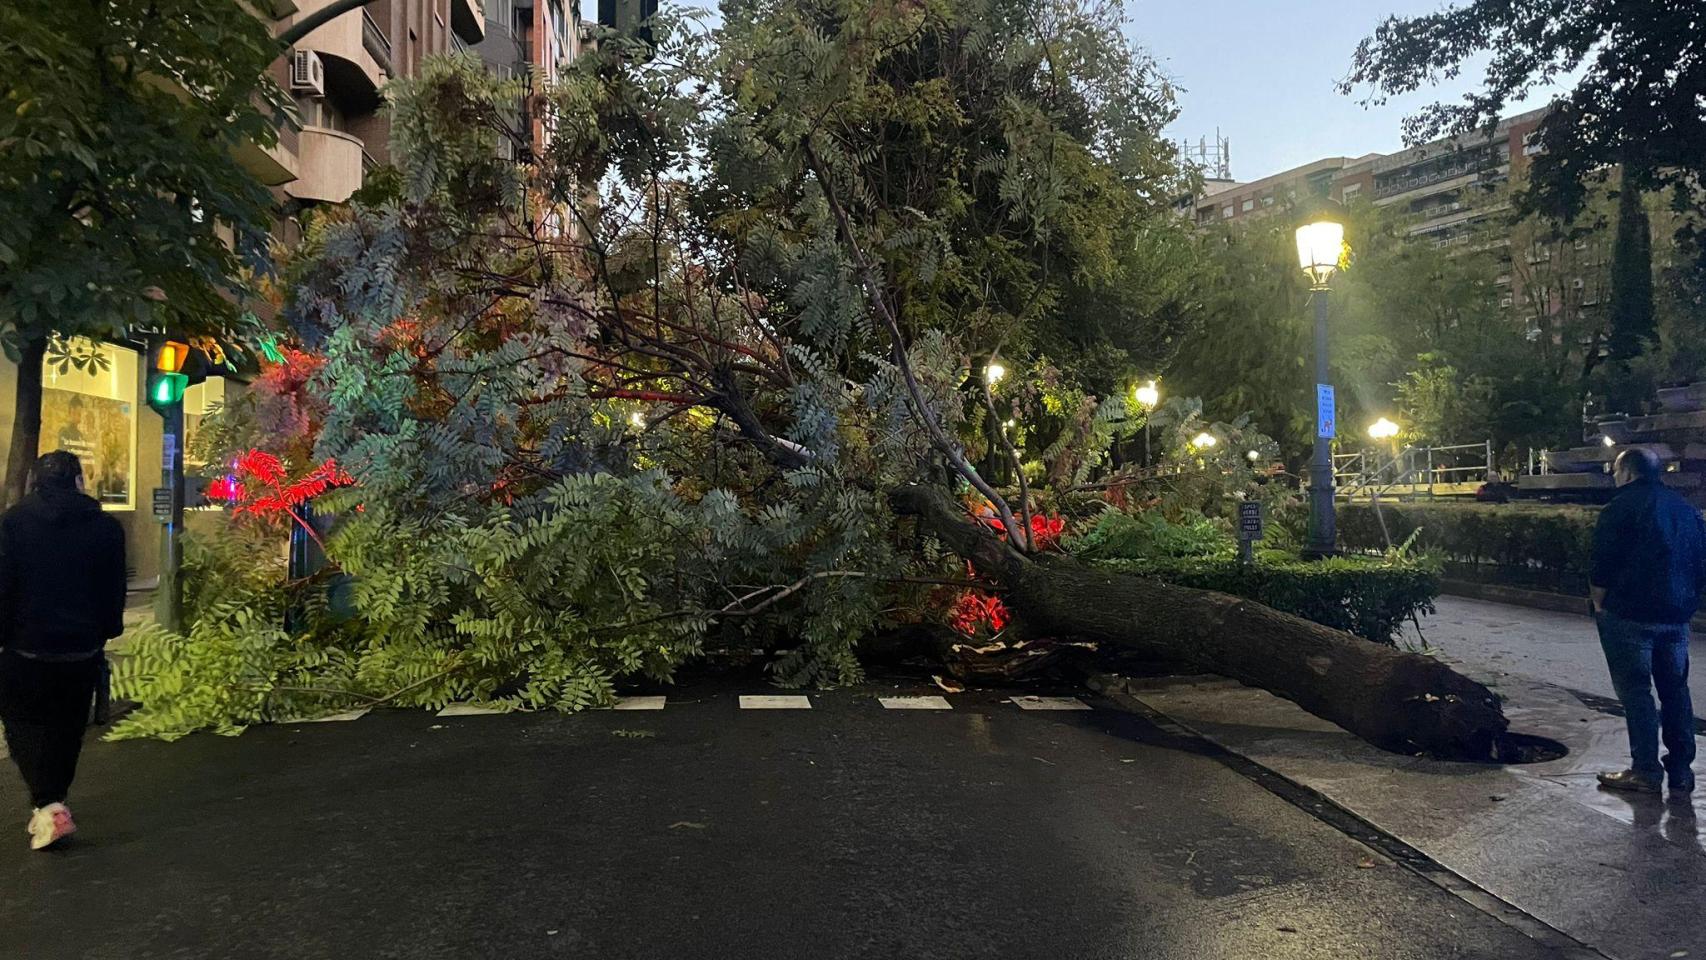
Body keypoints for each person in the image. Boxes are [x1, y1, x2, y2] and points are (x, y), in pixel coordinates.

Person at [0, 450, 127, 849]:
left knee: (21, 723)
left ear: (35, 483)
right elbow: (113, 590)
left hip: (26, 648)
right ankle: (54, 802)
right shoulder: (107, 528)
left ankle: (47, 803)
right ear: (78, 482)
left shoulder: (12, 524)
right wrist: (106, 631)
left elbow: (4, 587)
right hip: (81, 648)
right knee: (68, 728)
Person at [1590, 447, 1706, 797]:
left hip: (1629, 614)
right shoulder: (1685, 509)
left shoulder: (1619, 508)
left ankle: (1645, 770)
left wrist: (1599, 603)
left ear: (1627, 472)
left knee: (1637, 692)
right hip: (1675, 615)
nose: (1613, 477)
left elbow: (1603, 562)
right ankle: (1682, 771)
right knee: (1675, 689)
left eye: (1614, 471)